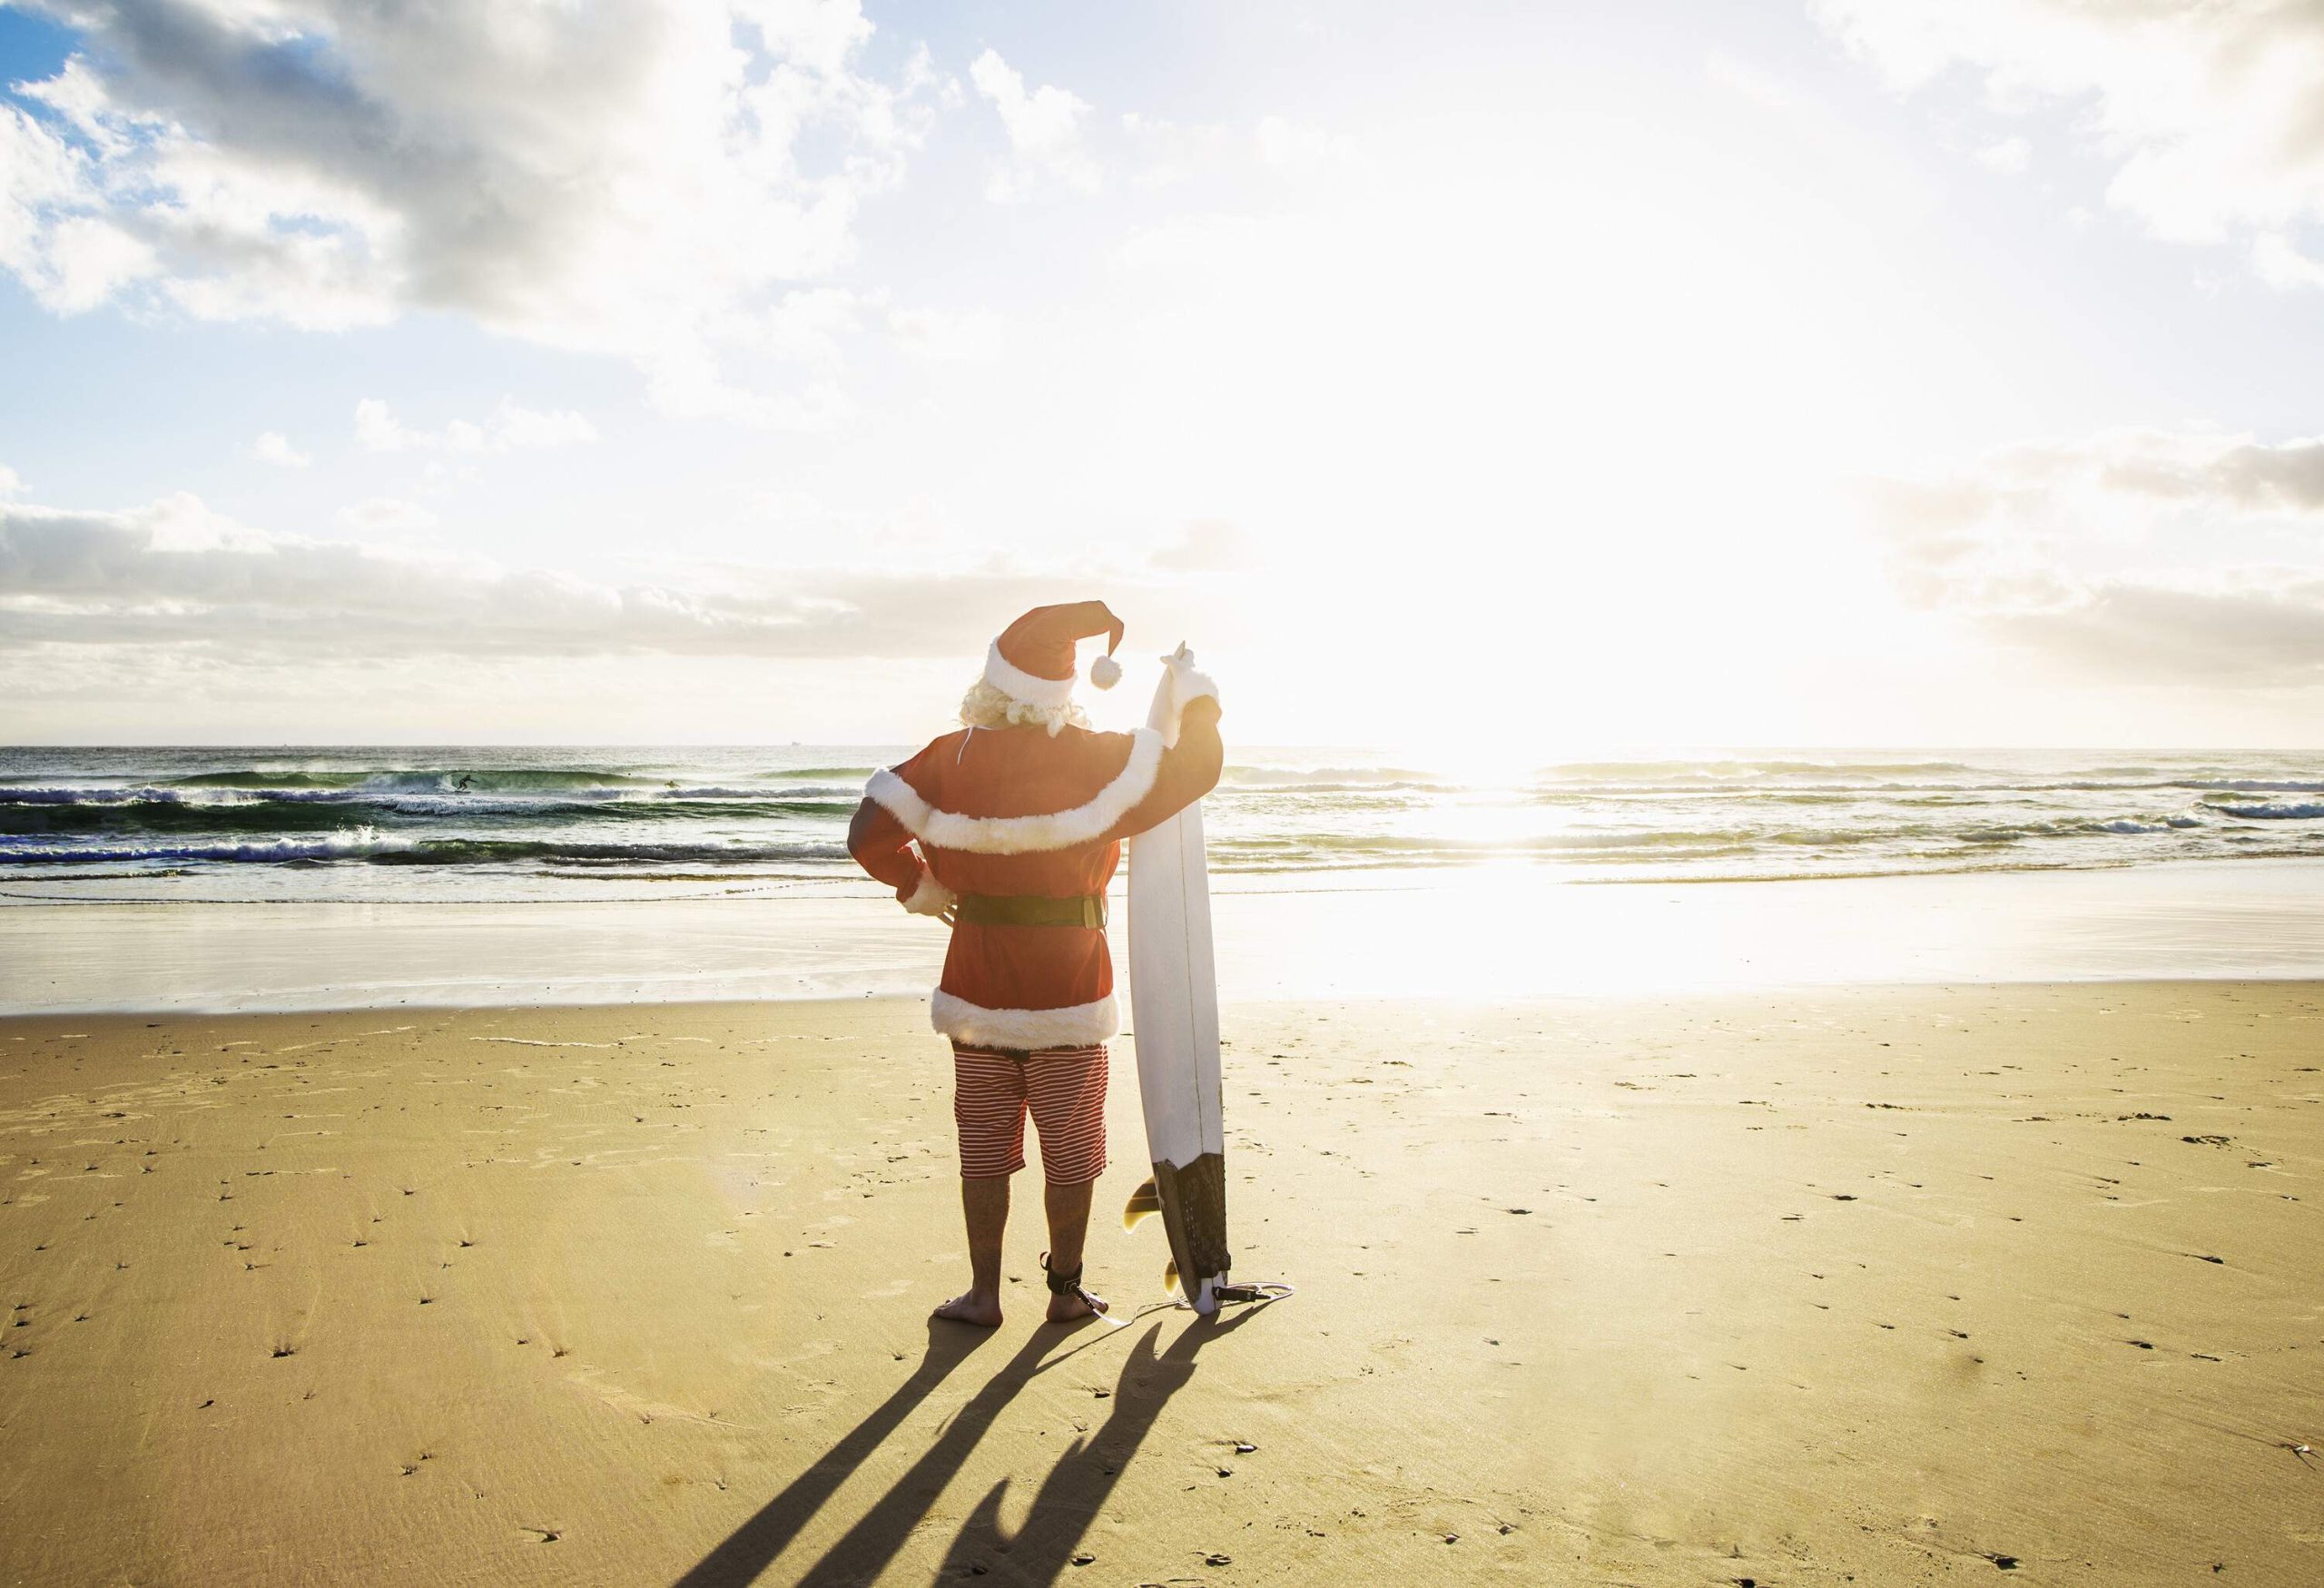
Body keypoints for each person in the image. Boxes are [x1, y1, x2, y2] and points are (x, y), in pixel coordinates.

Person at [847, 601, 1223, 1326]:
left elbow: (867, 830)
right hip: (1071, 990)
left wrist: (920, 884)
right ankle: (1065, 1294)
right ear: (1063, 690)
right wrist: (1195, 690)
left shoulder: (946, 756)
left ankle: (984, 1296)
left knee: (984, 1149)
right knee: (1072, 1151)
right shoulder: (1099, 757)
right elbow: (1199, 766)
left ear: (989, 685)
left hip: (976, 989)